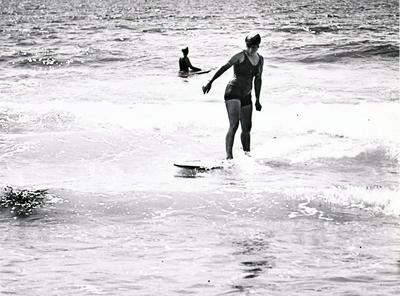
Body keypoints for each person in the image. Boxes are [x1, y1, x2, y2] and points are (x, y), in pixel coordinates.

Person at [202, 33, 264, 159]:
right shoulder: (240, 55)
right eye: (249, 46)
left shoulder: (261, 59)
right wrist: (210, 81)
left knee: (247, 128)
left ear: (258, 45)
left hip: (247, 95)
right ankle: (229, 157)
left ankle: (247, 155)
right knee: (234, 124)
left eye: (253, 47)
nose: (250, 49)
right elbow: (224, 67)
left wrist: (257, 99)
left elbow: (258, 79)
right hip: (233, 91)